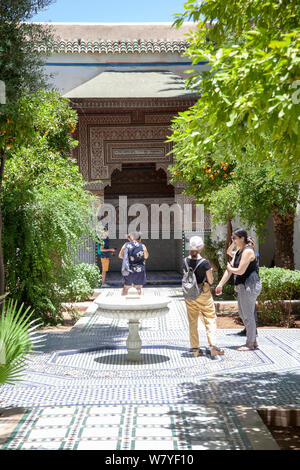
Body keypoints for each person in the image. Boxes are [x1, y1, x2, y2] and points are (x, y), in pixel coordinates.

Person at [216, 228, 262, 351]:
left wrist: (231, 269)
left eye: (234, 238)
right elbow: (229, 269)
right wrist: (220, 284)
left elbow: (239, 270)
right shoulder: (238, 252)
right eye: (232, 238)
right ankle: (253, 340)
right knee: (243, 313)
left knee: (248, 314)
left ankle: (250, 343)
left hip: (250, 285)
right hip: (243, 286)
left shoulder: (247, 251)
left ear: (242, 238)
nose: (233, 240)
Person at [183, 236, 224, 358]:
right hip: (203, 292)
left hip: (189, 294)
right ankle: (213, 346)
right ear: (201, 248)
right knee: (210, 317)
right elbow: (210, 281)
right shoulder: (205, 263)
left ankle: (195, 349)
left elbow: (186, 277)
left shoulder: (184, 261)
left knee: (192, 321)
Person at [227, 235, 259, 336]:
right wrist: (234, 242)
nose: (248, 244)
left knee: (250, 311)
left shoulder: (252, 254)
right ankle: (249, 331)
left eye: (250, 243)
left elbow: (241, 269)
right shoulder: (240, 253)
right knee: (244, 311)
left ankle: (252, 334)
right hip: (241, 284)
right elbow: (229, 252)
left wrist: (231, 269)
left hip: (249, 284)